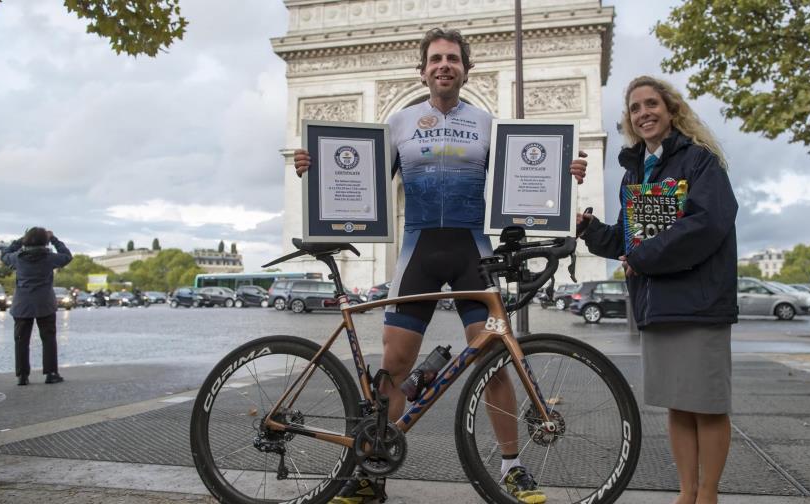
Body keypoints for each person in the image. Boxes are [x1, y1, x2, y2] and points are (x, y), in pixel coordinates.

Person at [293, 27, 587, 504]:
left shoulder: (488, 125)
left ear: (467, 70)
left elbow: (525, 180)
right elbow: (359, 180)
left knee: (494, 362)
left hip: (473, 251)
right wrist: (317, 170)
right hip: (419, 251)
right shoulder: (399, 124)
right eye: (436, 59)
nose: (444, 65)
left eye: (452, 58)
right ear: (423, 70)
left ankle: (512, 467)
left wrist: (564, 174)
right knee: (394, 365)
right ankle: (371, 474)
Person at [578, 75, 737, 504]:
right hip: (657, 303)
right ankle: (687, 493)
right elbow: (629, 241)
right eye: (635, 108)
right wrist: (590, 230)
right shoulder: (634, 171)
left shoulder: (700, 160)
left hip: (699, 302)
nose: (644, 113)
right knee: (678, 404)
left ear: (671, 110)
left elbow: (708, 224)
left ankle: (708, 496)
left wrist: (643, 257)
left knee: (707, 405)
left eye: (651, 104)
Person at [0, 227, 73, 386]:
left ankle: (22, 376)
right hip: (44, 303)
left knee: (21, 340)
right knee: (48, 339)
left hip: (22, 304)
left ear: (26, 240)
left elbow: (4, 254)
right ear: (45, 241)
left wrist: (20, 240)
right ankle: (51, 373)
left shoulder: (17, 258)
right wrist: (54, 239)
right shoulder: (50, 258)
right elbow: (67, 256)